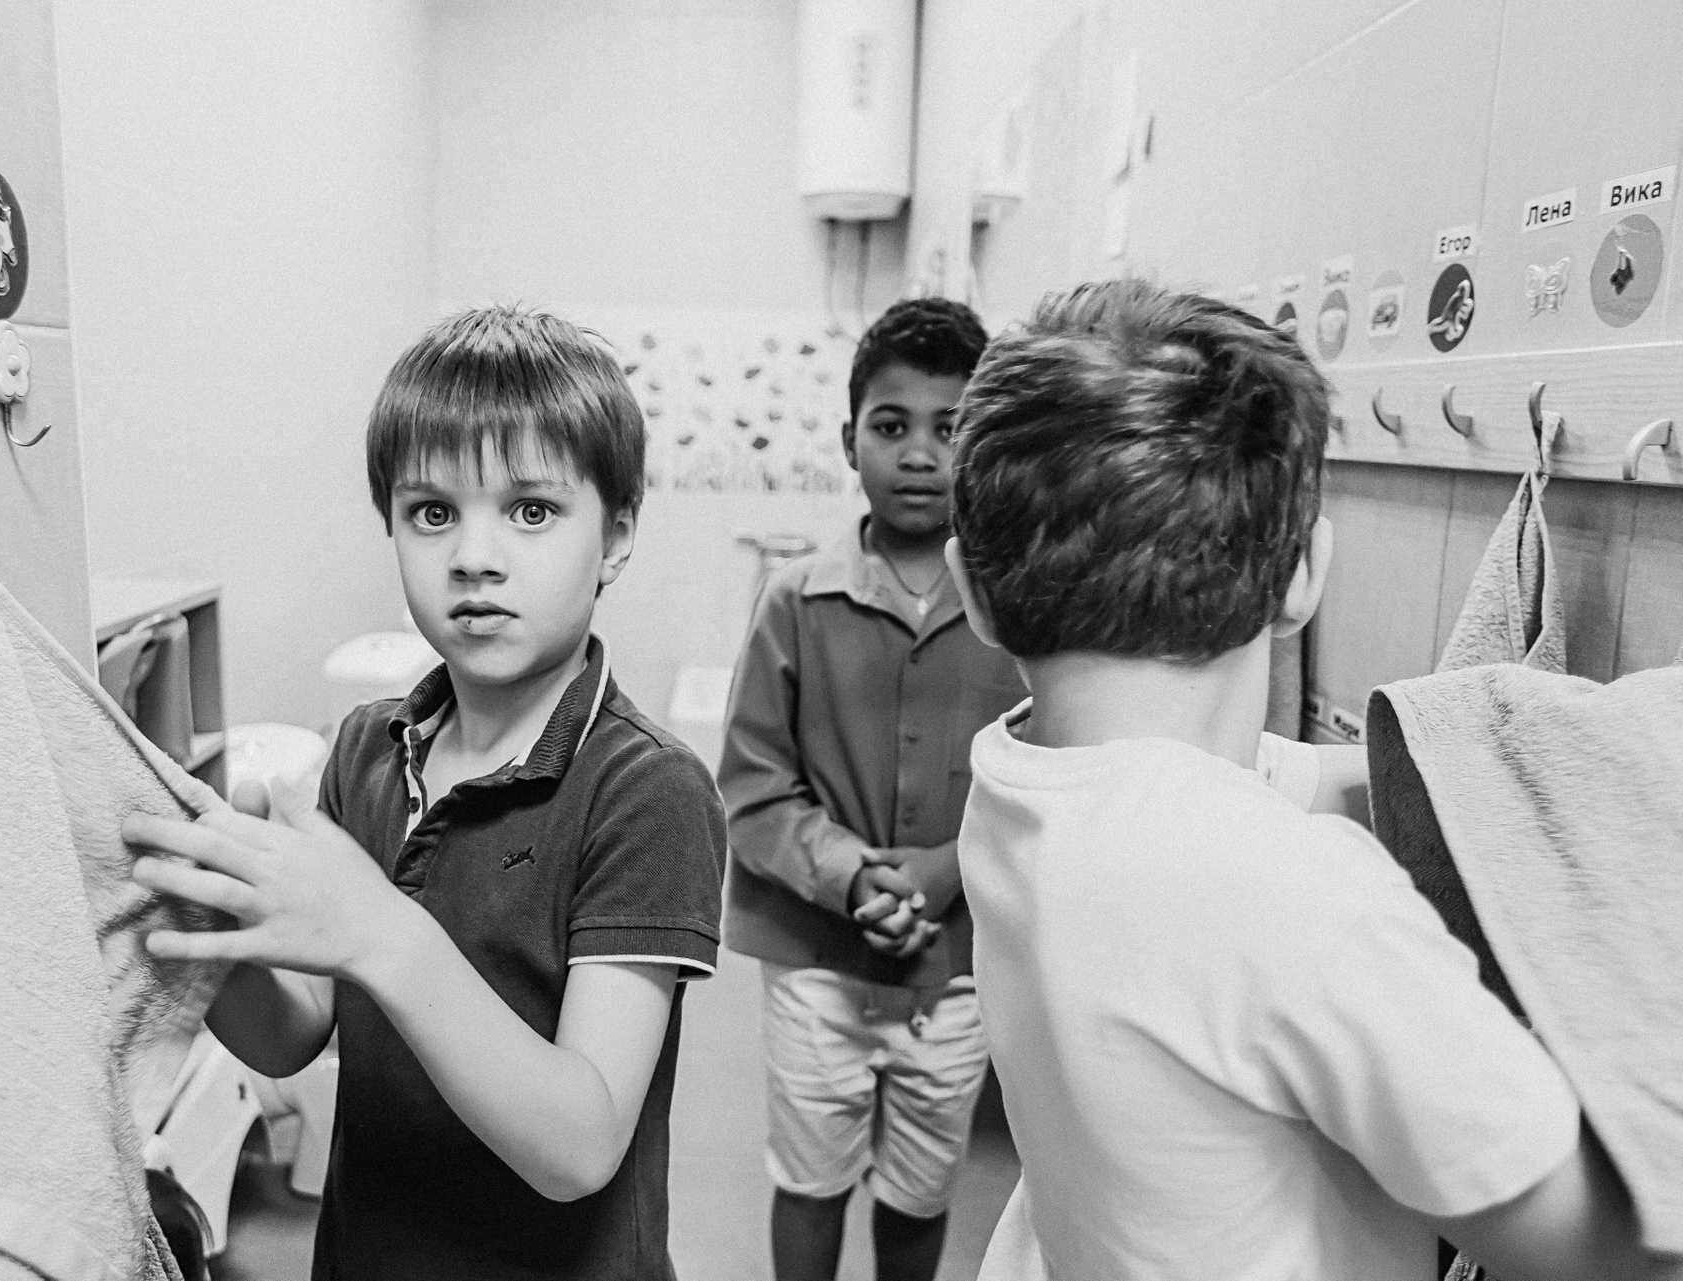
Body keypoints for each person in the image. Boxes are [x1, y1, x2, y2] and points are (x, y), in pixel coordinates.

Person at [945, 279, 1678, 1281]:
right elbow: (1589, 1244)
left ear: (973, 592)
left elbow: (1311, 785)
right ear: (1304, 575)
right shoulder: (1297, 894)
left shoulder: (1023, 778)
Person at [124, 307, 726, 1280]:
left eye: (531, 511)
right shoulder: (368, 748)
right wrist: (210, 926)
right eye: (433, 512)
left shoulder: (646, 790)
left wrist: (380, 930)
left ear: (615, 537)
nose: (474, 556)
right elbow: (292, 1036)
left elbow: (581, 1145)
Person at [718, 297, 1028, 1281]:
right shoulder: (794, 602)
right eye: (892, 427)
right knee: (810, 1181)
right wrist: (854, 876)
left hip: (963, 966)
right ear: (848, 439)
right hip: (815, 961)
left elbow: (1047, 776)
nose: (920, 454)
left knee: (920, 1191)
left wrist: (947, 870)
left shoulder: (1025, 612)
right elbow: (752, 788)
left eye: (950, 427)